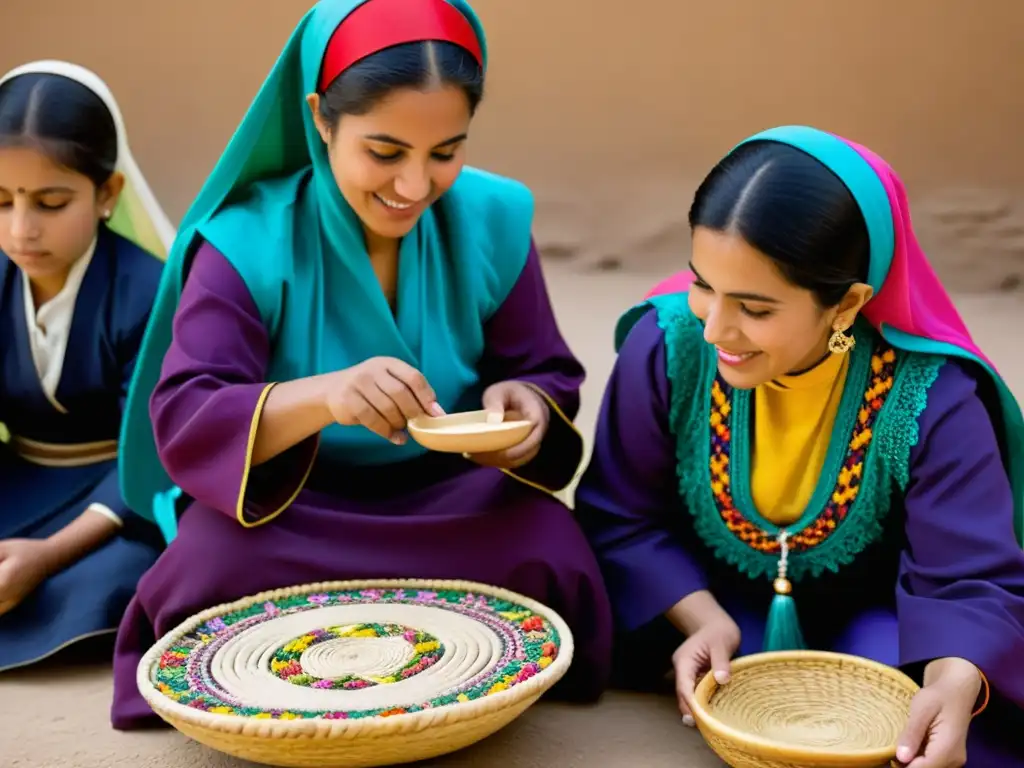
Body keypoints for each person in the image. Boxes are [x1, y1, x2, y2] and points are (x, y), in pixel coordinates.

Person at [110, 0, 611, 729]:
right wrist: (325, 396)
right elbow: (187, 412)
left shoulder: (495, 217)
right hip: (289, 507)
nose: (414, 186)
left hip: (449, 496)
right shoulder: (244, 241)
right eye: (384, 151)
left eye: (445, 152)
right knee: (202, 577)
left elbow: (540, 368)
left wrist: (528, 408)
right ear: (320, 116)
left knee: (554, 552)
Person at [576, 126, 1024, 766]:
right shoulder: (667, 344)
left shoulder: (931, 399)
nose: (715, 329)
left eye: (755, 309)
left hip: (881, 628)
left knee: (918, 715)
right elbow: (621, 517)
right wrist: (699, 619)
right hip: (715, 612)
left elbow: (968, 579)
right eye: (703, 284)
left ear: (846, 303)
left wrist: (956, 677)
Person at [0, 60, 172, 671]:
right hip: (20, 478)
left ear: (107, 195)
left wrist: (46, 555)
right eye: (0, 200)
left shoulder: (148, 292)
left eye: (50, 202)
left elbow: (148, 456)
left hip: (118, 496)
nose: (21, 229)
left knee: (127, 580)